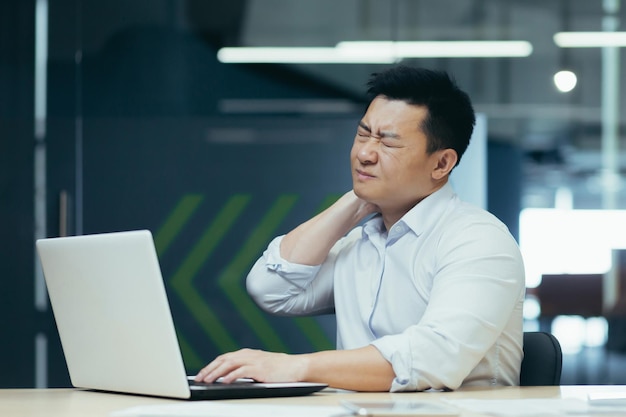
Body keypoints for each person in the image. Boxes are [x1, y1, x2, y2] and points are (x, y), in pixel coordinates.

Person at [195, 65, 526, 392]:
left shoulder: (478, 240)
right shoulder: (362, 239)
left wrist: (296, 367)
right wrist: (356, 201)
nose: (365, 153)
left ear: (441, 163)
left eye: (388, 143)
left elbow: (430, 358)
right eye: (363, 134)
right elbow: (271, 290)